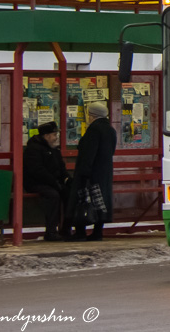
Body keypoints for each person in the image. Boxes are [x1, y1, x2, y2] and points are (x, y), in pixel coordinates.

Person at [68, 102, 116, 241]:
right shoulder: (110, 130)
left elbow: (88, 153)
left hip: (91, 173)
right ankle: (98, 232)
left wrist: (83, 173)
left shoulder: (94, 130)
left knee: (83, 201)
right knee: (101, 203)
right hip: (105, 172)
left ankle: (80, 232)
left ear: (92, 115)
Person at [23, 121, 67, 241]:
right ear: (47, 136)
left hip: (52, 182)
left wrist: (66, 178)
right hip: (36, 183)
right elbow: (37, 171)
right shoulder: (33, 149)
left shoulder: (53, 149)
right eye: (54, 135)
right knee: (53, 195)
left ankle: (66, 228)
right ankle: (51, 232)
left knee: (69, 191)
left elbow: (61, 166)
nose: (56, 138)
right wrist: (54, 182)